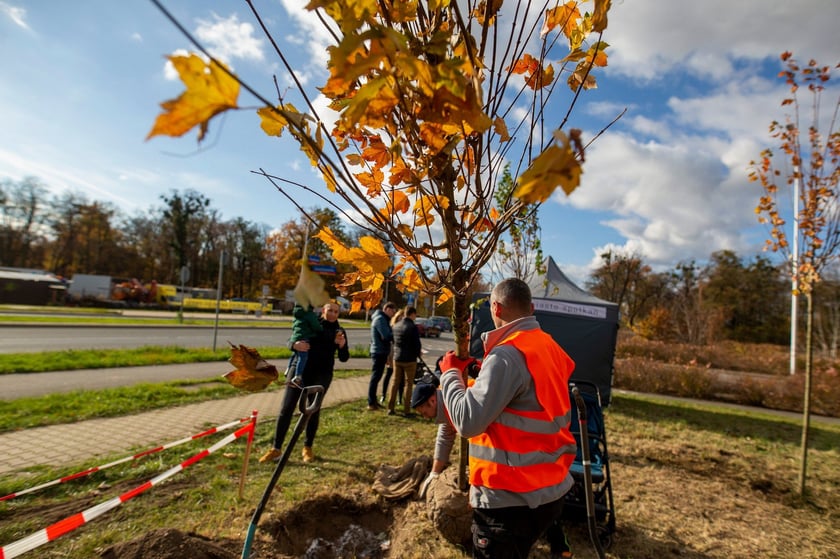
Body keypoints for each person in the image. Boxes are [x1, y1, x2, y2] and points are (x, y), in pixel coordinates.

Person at [436, 277, 577, 558]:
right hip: (549, 491)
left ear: (496, 309)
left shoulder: (506, 356)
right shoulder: (548, 346)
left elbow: (467, 422)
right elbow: (527, 399)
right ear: (532, 307)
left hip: (510, 500)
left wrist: (450, 373)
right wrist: (482, 373)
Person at [259, 301, 349, 464]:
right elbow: (293, 337)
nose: (333, 314)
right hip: (299, 371)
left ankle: (307, 447)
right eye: (330, 310)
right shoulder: (310, 322)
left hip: (322, 374)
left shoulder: (339, 332)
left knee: (312, 411)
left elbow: (344, 358)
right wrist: (294, 345)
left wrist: (342, 346)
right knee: (286, 408)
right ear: (323, 309)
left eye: (336, 312)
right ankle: (276, 449)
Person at [388, 306, 422, 416]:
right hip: (410, 359)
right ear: (412, 314)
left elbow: (393, 341)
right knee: (408, 384)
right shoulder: (412, 327)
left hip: (397, 358)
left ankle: (390, 407)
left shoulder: (396, 326)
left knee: (395, 383)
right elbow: (417, 345)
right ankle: (406, 410)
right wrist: (418, 353)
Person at [367, 302, 396, 410]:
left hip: (380, 351)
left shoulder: (382, 319)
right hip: (379, 351)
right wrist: (395, 333)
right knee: (375, 377)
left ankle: (373, 401)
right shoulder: (380, 319)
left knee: (377, 377)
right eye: (393, 311)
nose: (393, 314)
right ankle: (371, 402)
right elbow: (386, 336)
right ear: (387, 309)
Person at [287, 302, 322, 388]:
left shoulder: (297, 313)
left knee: (294, 355)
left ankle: (288, 369)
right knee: (303, 357)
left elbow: (294, 326)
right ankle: (298, 376)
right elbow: (316, 326)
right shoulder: (309, 314)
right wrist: (320, 328)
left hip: (295, 336)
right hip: (304, 337)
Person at [381, 307, 405, 404]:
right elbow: (387, 341)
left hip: (401, 355)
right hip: (391, 354)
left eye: (403, 318)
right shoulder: (392, 327)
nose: (401, 320)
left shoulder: (405, 328)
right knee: (388, 375)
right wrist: (387, 356)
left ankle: (399, 398)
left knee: (401, 378)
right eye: (399, 317)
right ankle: (383, 395)